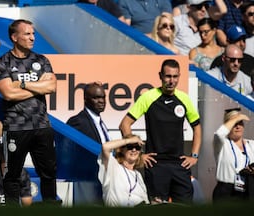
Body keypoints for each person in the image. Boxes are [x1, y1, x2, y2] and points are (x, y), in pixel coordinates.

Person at [0, 19, 57, 204]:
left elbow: (51, 87)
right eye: (27, 34)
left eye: (33, 34)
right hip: (16, 127)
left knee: (49, 173)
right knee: (12, 175)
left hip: (42, 126)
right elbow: (8, 93)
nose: (32, 37)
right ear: (14, 37)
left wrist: (22, 83)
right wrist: (38, 86)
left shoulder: (41, 60)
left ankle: (50, 213)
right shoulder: (2, 62)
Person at [119, 59, 202, 204]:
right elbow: (125, 124)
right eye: (168, 76)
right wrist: (140, 155)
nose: (171, 81)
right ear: (160, 76)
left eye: (175, 76)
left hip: (180, 165)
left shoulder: (184, 99)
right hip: (155, 165)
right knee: (157, 213)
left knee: (185, 213)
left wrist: (194, 156)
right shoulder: (148, 97)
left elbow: (197, 128)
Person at [66, 82, 109, 205]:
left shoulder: (101, 123)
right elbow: (67, 150)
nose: (101, 101)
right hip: (87, 180)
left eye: (103, 97)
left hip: (104, 179)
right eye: (96, 98)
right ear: (85, 99)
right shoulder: (77, 121)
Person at [212, 108, 254, 202]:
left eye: (240, 123)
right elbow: (219, 134)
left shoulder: (251, 145)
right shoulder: (222, 143)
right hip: (226, 190)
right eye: (234, 124)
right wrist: (236, 118)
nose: (238, 127)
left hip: (247, 190)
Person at [98, 135, 149, 207]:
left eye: (137, 147)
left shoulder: (138, 175)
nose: (134, 150)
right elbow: (105, 147)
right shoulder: (113, 167)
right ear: (122, 150)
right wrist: (129, 140)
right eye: (130, 147)